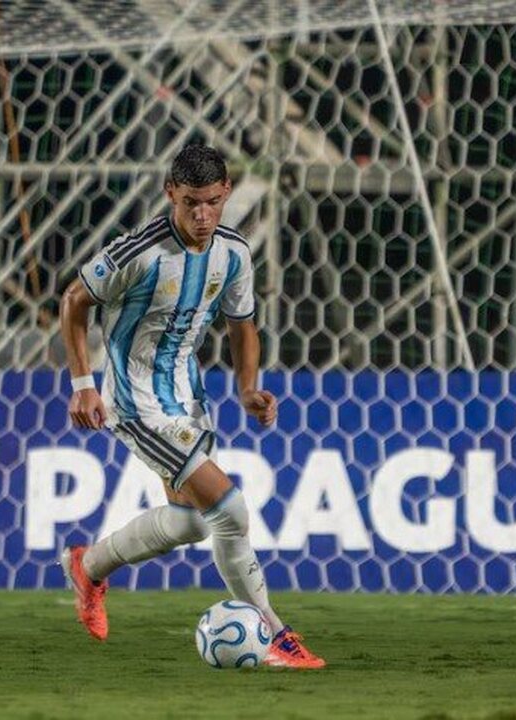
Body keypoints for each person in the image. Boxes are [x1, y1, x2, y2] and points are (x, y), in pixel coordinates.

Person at [58, 143, 324, 669]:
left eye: (212, 202)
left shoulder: (233, 253)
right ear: (170, 194)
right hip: (135, 399)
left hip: (187, 395)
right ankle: (275, 635)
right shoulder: (139, 252)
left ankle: (88, 566)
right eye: (190, 203)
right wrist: (83, 384)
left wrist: (247, 388)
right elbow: (74, 300)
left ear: (226, 193)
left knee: (190, 522)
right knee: (229, 511)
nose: (202, 215)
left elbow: (242, 324)